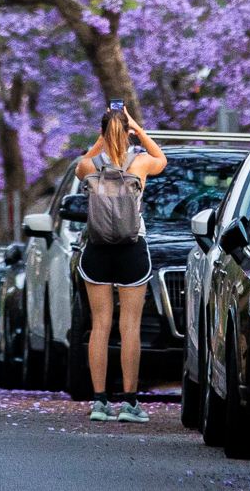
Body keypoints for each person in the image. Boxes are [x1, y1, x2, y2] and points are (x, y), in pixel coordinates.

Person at [76, 105, 167, 423]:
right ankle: (130, 403)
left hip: (97, 250)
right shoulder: (140, 163)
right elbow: (162, 159)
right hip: (132, 250)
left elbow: (86, 158)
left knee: (100, 326)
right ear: (128, 133)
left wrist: (103, 138)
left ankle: (100, 402)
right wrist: (138, 129)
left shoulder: (88, 166)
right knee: (130, 327)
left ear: (102, 133)